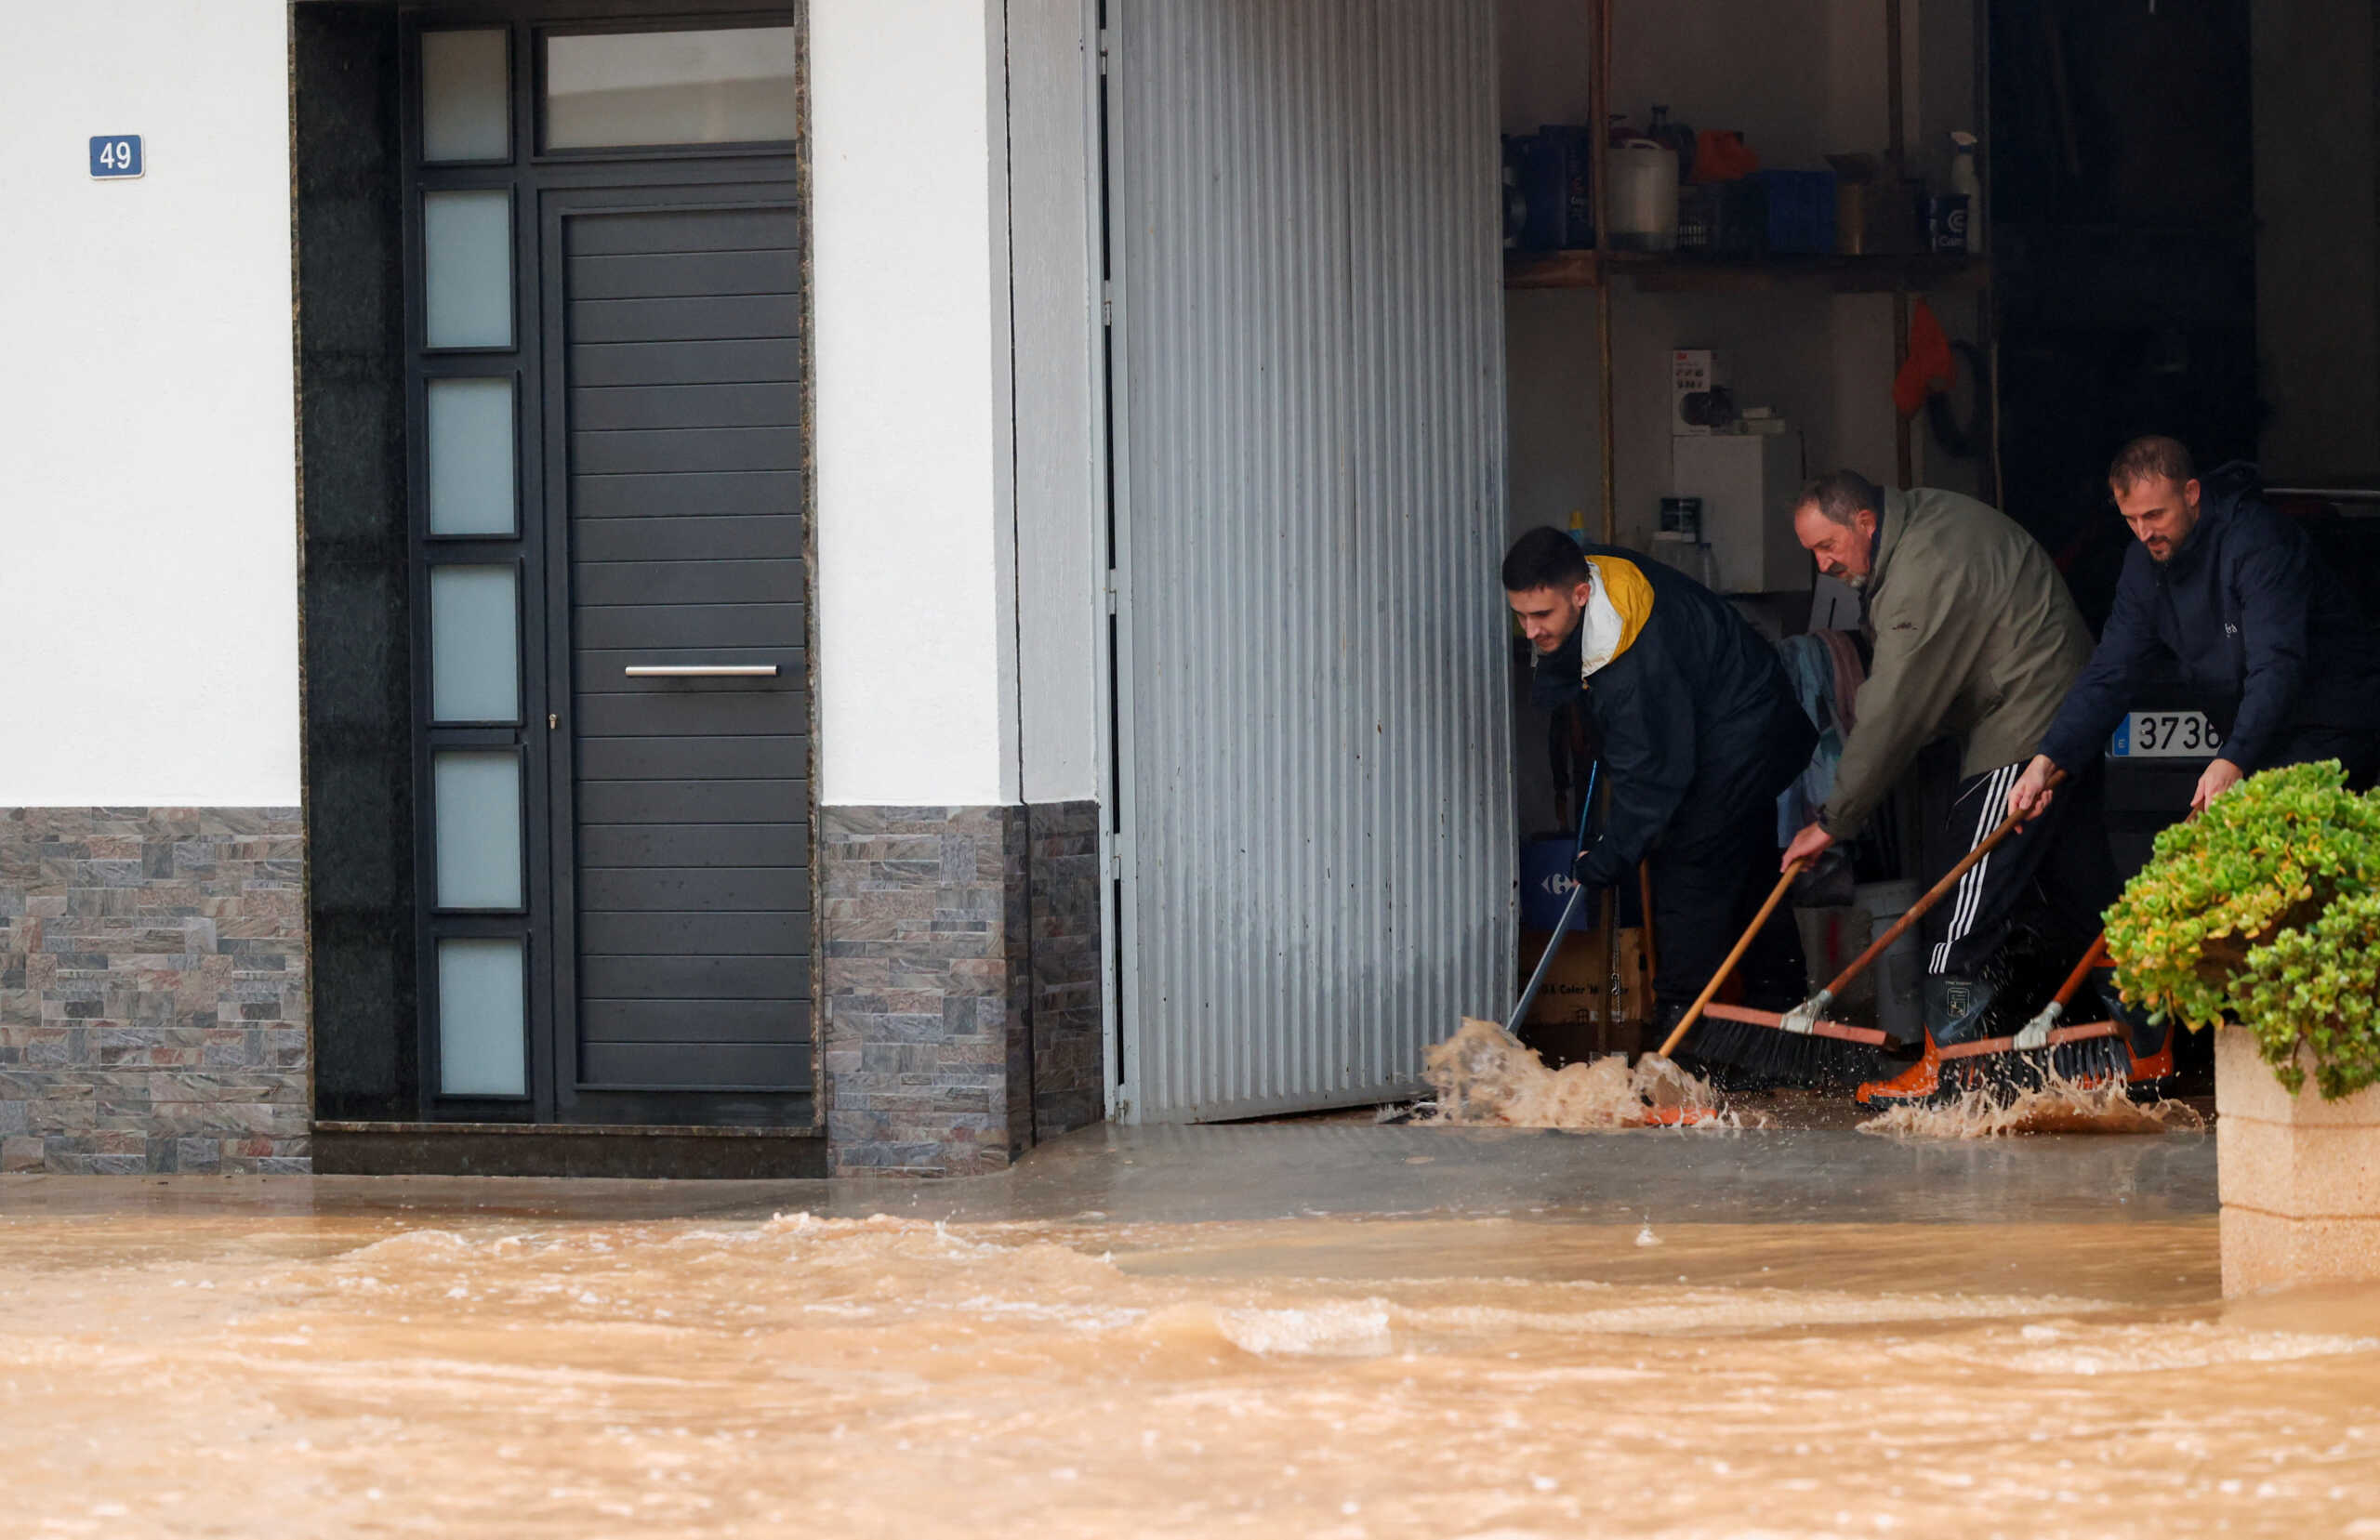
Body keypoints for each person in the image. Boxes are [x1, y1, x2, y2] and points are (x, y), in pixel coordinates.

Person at [1777, 472, 2106, 1094]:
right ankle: (2146, 1043)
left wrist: (1833, 818)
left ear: (1864, 524)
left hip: (2026, 719)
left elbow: (1894, 709)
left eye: (1827, 547)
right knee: (2087, 898)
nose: (1823, 566)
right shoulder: (1924, 525)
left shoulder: (1920, 567)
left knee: (1961, 903)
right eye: (1813, 553)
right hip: (2065, 711)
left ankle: (1952, 1068)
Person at [1503, 526, 1816, 1043]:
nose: (1530, 630)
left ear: (1580, 594)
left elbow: (1652, 780)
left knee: (1689, 870)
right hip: (1722, 716)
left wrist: (1608, 857)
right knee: (1749, 877)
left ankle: (1684, 1049)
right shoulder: (1592, 575)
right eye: (1520, 615)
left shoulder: (1633, 661)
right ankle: (1781, 1027)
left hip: (1744, 734)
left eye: (1542, 616)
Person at [2008, 437, 2380, 824]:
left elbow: (2277, 664)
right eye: (2130, 519)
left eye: (2154, 515)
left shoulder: (2259, 541)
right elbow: (2111, 672)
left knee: (2279, 856)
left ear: (2191, 493)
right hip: (2263, 736)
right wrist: (2046, 760)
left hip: (2334, 725)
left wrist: (2233, 756)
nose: (2143, 532)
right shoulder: (2143, 563)